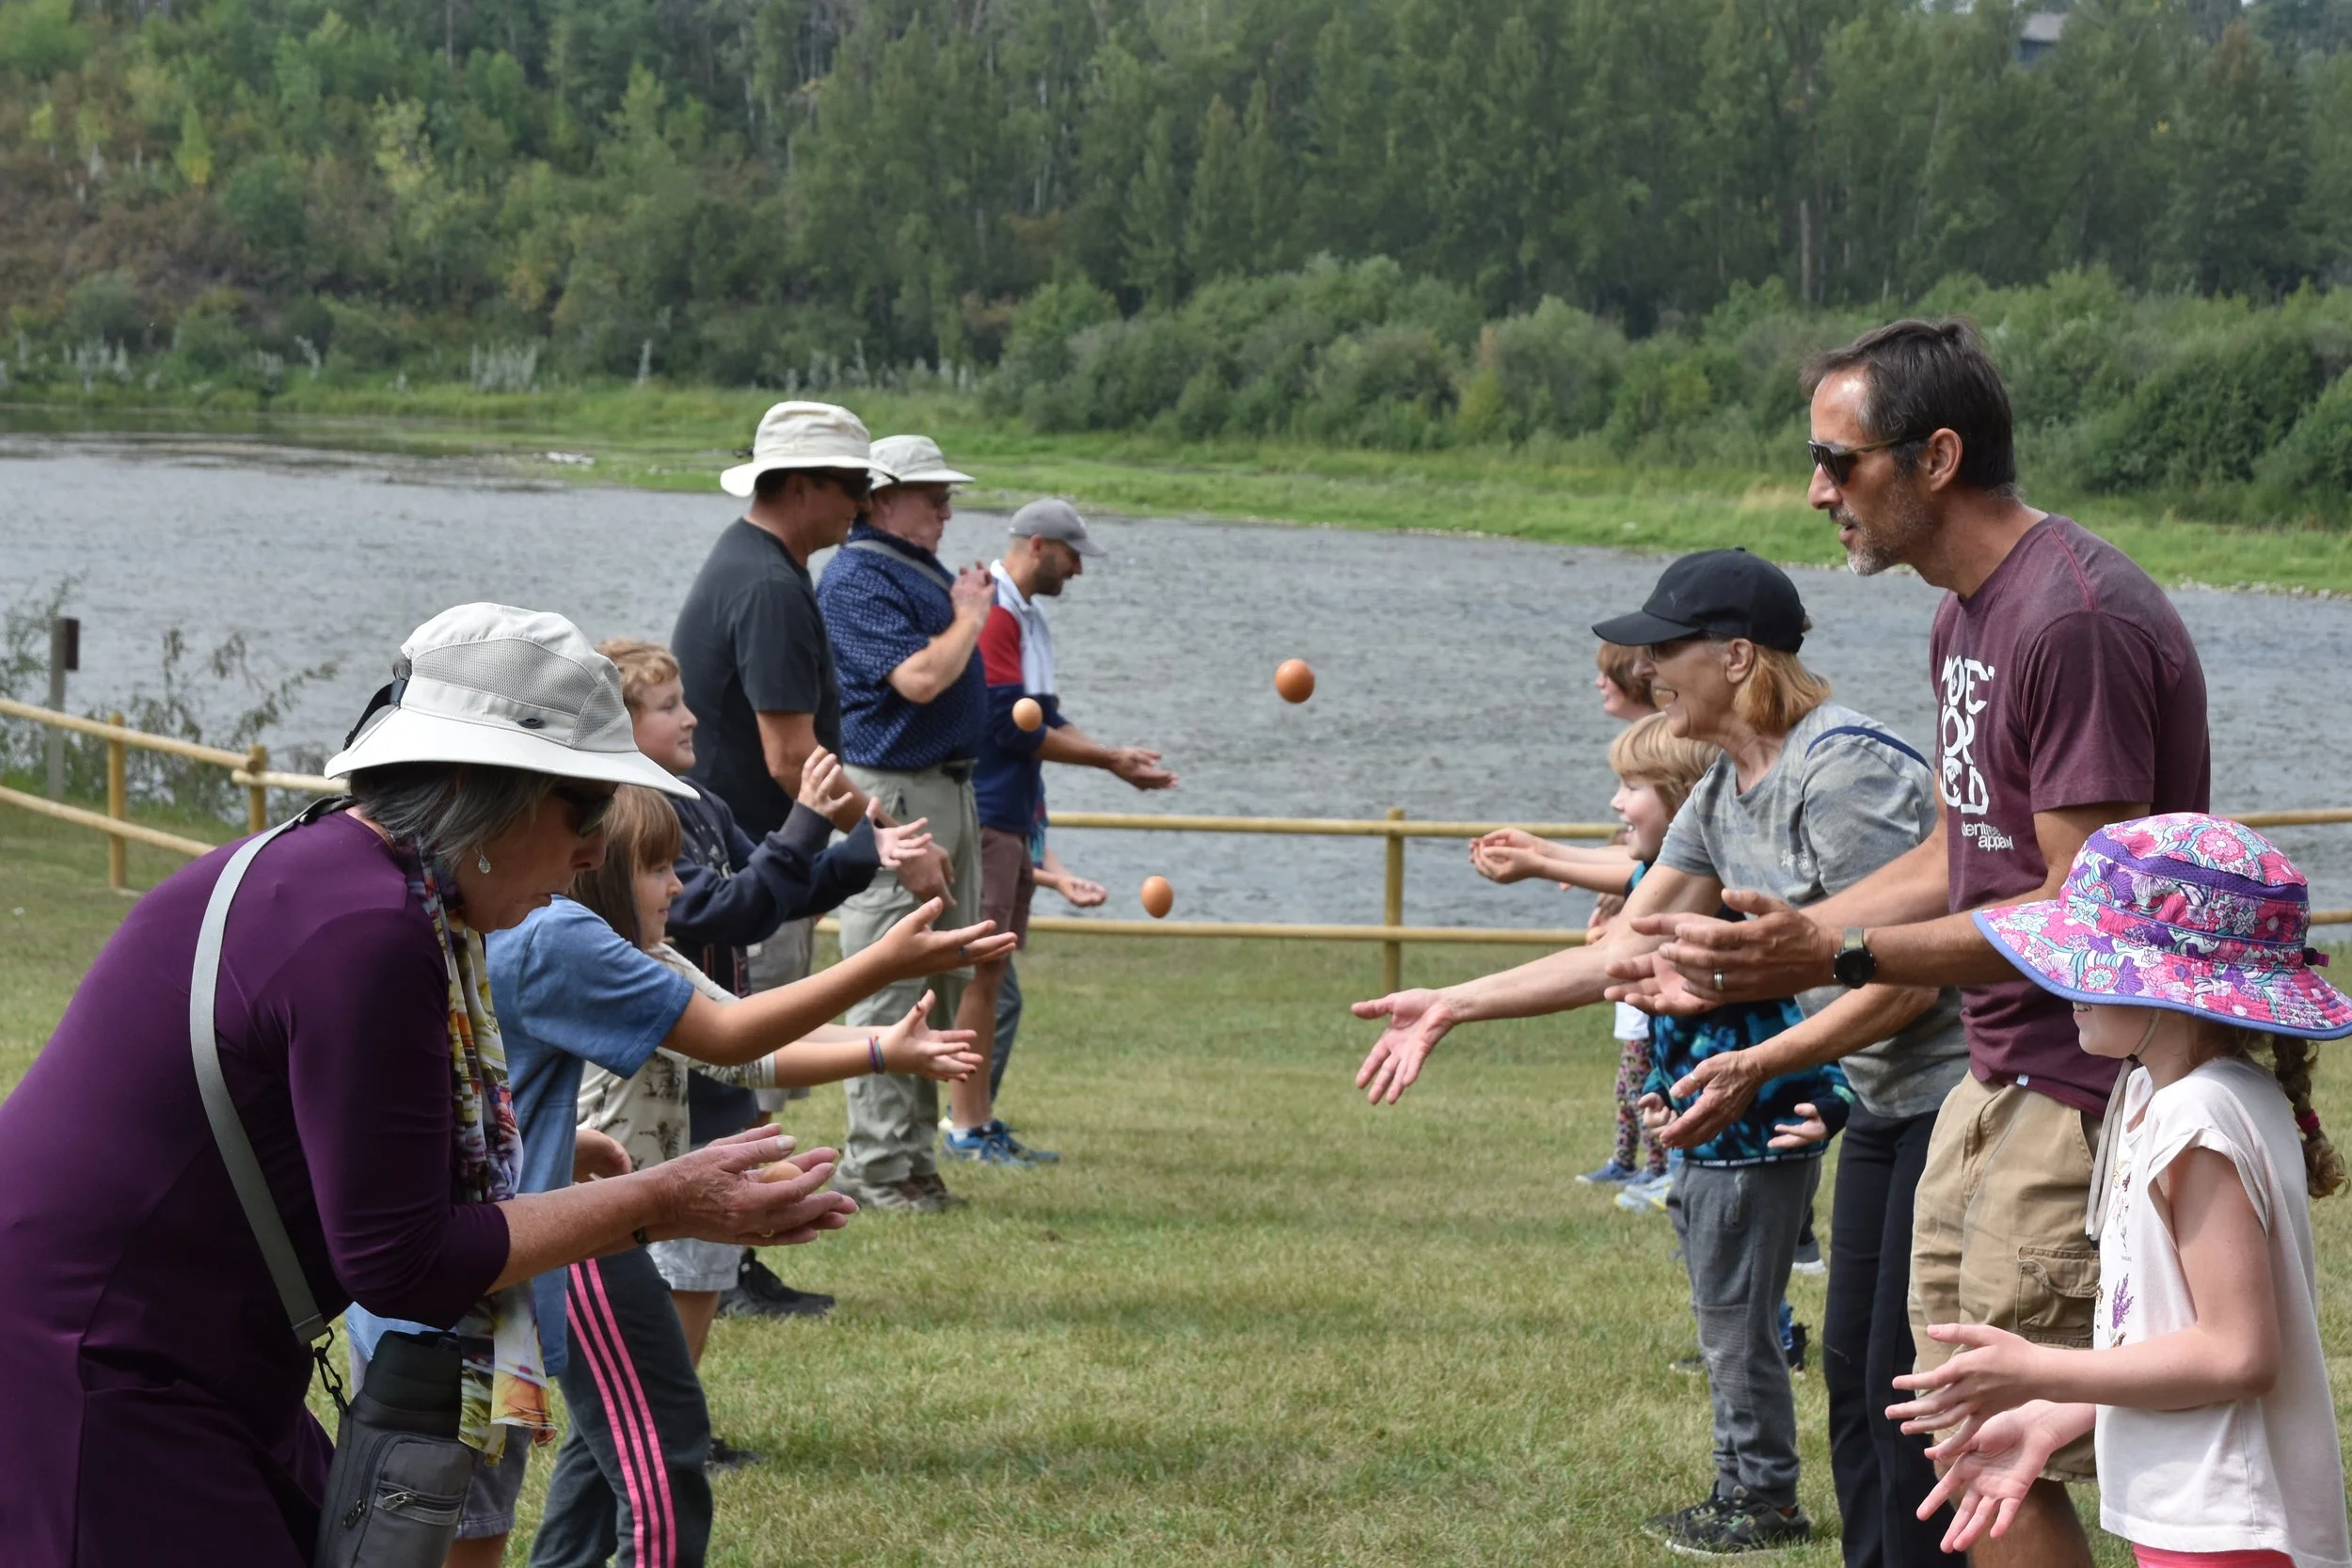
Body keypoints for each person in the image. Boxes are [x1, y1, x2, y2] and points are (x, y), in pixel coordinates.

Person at [0, 602, 861, 1566]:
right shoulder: (369, 928)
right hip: (91, 1358)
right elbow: (403, 1261)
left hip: (185, 1343)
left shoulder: (355, 876)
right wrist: (667, 1196)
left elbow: (322, 1117)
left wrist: (497, 1155)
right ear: (479, 792)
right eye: (582, 808)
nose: (592, 850)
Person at [1619, 320, 2209, 1568]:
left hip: (2080, 1080)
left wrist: (1833, 962)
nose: (1818, 490)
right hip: (1986, 1081)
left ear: (1935, 457)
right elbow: (1961, 849)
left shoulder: (2072, 619)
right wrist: (1790, 934)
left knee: (2010, 1452)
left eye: (1841, 460)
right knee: (1946, 1433)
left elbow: (2082, 914)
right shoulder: (1964, 621)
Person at [1350, 548, 1965, 1555]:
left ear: (1733, 655)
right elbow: (1626, 945)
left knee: (1906, 1384)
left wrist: (1757, 1062)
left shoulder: (1840, 766)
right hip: (1885, 1104)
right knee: (1857, 1374)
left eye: (1659, 649)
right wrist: (1452, 1003)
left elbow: (1905, 981)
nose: (1644, 671)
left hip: (1953, 1098)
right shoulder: (1724, 789)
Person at [1886, 814, 2349, 1567]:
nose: (2063, 978)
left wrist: (2042, 1366)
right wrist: (2056, 1414)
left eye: (2096, 962)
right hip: (2194, 1509)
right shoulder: (2157, 1093)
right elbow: (2174, 1335)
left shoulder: (2196, 1116)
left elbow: (2238, 1354)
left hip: (2229, 1525)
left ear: (2175, 989)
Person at [547, 785, 985, 1551]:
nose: (678, 884)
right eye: (658, 868)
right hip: (588, 1242)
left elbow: (746, 1049)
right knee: (664, 1446)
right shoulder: (608, 972)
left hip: (616, 1233)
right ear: (603, 876)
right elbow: (737, 1039)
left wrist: (884, 1047)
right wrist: (882, 966)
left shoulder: (651, 957)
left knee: (601, 1453)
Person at [672, 404, 952, 1212]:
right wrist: (890, 834)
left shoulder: (763, 562)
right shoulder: (768, 583)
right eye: (852, 486)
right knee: (749, 1046)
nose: (863, 505)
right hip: (754, 855)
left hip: (748, 849)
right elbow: (793, 758)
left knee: (746, 1050)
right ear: (797, 486)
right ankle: (734, 1243)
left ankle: (736, 1242)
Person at [598, 636, 926, 1323]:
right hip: (678, 1059)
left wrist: (868, 846)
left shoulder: (699, 803)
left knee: (714, 1227)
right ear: (621, 726)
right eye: (667, 706)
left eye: (684, 700)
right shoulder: (632, 819)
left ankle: (729, 1293)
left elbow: (783, 888)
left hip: (725, 1042)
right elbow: (729, 909)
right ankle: (676, 1409)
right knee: (681, 1244)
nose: (691, 717)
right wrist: (806, 817)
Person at [960, 496, 1177, 1163]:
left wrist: (1114, 756)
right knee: (982, 971)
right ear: (1036, 546)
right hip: (992, 809)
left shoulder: (1030, 618)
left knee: (994, 973)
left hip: (1016, 814)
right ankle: (964, 1127)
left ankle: (979, 1118)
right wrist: (1107, 759)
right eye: (1071, 554)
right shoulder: (995, 611)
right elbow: (1006, 728)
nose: (1077, 569)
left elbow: (1047, 717)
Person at [816, 432, 996, 1211]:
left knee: (941, 975)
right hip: (896, 787)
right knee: (892, 976)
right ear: (881, 500)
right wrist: (968, 616)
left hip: (945, 788)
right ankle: (879, 1166)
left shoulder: (909, 569)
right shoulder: (856, 576)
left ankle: (914, 1160)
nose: (947, 512)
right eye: (934, 497)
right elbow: (919, 680)